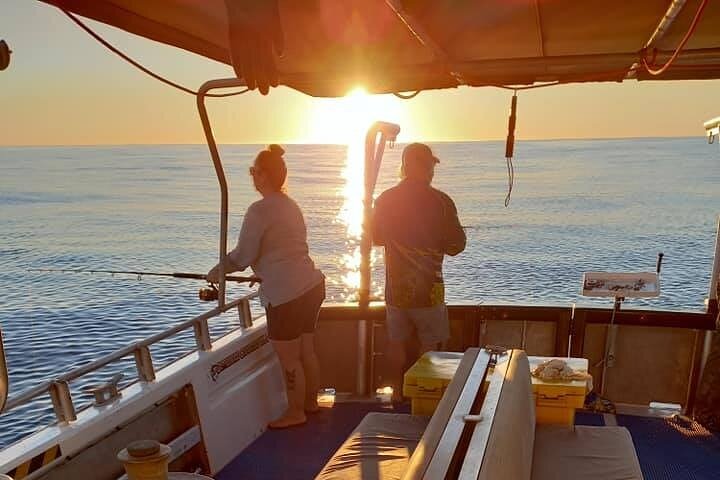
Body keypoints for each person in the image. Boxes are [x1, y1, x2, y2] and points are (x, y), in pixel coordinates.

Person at [207, 144, 325, 428]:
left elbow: (243, 256)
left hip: (285, 296)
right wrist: (263, 271)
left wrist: (217, 270)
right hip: (311, 285)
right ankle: (311, 403)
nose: (252, 177)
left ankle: (295, 412)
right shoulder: (290, 205)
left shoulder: (259, 210)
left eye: (254, 171)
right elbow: (283, 249)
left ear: (264, 175)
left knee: (290, 359)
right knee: (306, 351)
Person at [372, 143, 466, 401]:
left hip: (396, 291)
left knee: (396, 345)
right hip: (429, 291)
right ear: (426, 167)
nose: (432, 171)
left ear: (404, 167)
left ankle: (397, 393)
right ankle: (423, 398)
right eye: (430, 165)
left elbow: (376, 238)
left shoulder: (386, 199)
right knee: (429, 348)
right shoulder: (441, 201)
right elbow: (457, 246)